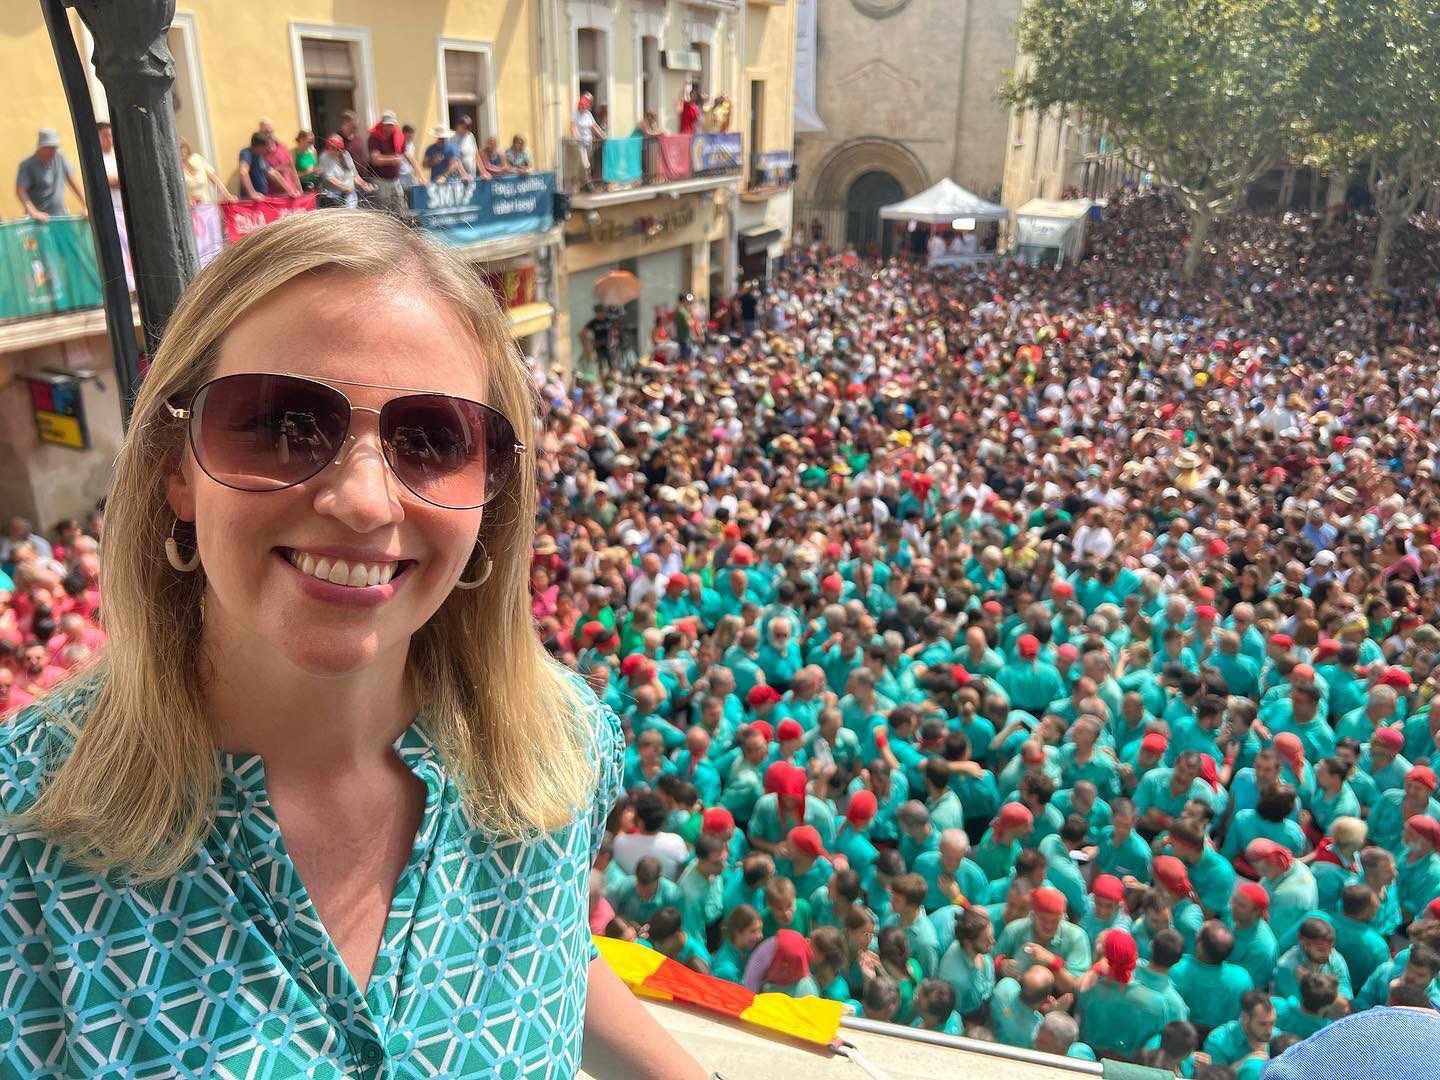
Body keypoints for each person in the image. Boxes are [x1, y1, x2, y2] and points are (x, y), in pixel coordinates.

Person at [0, 210, 706, 1078]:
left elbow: (547, 949)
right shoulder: (22, 833)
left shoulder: (562, 743)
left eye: (432, 439)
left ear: (490, 493)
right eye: (283, 423)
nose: (367, 502)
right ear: (175, 468)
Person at [16, 128, 86, 222]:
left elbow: (73, 181)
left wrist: (86, 205)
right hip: (41, 221)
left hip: (60, 217)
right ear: (41, 147)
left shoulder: (60, 157)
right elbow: (20, 191)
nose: (53, 151)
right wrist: (33, 212)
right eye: (50, 148)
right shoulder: (27, 165)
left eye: (55, 148)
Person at [365, 110, 413, 214]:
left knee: (401, 207)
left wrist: (419, 173)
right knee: (383, 210)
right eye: (387, 125)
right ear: (382, 124)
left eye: (391, 125)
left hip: (395, 179)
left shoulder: (399, 137)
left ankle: (401, 227)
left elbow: (406, 154)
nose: (389, 127)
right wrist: (393, 160)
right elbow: (375, 160)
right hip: (380, 180)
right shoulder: (374, 138)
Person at [316, 135, 369, 209]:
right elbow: (330, 178)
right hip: (334, 195)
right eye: (329, 147)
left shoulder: (346, 155)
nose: (330, 150)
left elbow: (354, 174)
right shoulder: (324, 157)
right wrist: (345, 187)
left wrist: (363, 184)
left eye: (333, 148)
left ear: (340, 149)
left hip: (349, 193)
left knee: (351, 213)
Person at [179, 137, 234, 204]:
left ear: (187, 148)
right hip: (189, 209)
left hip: (207, 205)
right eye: (177, 148)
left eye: (182, 147)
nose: (181, 151)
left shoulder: (196, 158)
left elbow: (214, 178)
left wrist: (227, 195)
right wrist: (188, 199)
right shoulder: (175, 170)